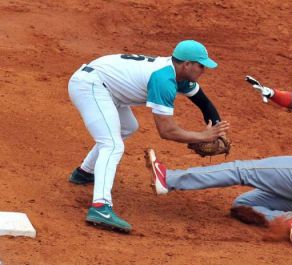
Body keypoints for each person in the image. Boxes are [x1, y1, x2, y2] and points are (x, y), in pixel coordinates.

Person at [145, 22, 292, 244]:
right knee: (244, 205)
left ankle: (170, 179)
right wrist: (272, 93)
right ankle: (291, 221)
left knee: (240, 170)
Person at [68, 40, 230, 233]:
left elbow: (204, 104)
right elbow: (166, 130)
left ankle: (85, 172)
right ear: (187, 64)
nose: (204, 69)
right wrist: (202, 137)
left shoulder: (181, 77)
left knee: (129, 127)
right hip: (90, 86)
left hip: (108, 88)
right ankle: (100, 208)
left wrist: (218, 131)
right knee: (112, 145)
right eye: (201, 65)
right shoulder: (164, 80)